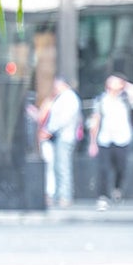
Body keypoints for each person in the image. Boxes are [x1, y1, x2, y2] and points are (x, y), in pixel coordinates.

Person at [91, 72, 133, 203]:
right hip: (105, 138)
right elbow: (95, 120)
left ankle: (117, 189)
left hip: (122, 138)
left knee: (121, 167)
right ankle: (102, 195)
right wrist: (93, 142)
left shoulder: (126, 99)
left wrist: (124, 84)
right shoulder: (101, 99)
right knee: (103, 168)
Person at [39, 75, 81, 208]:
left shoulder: (69, 98)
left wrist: (49, 130)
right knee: (58, 166)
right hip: (59, 137)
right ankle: (60, 195)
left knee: (63, 167)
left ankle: (64, 196)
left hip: (64, 136)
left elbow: (63, 119)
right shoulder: (61, 98)